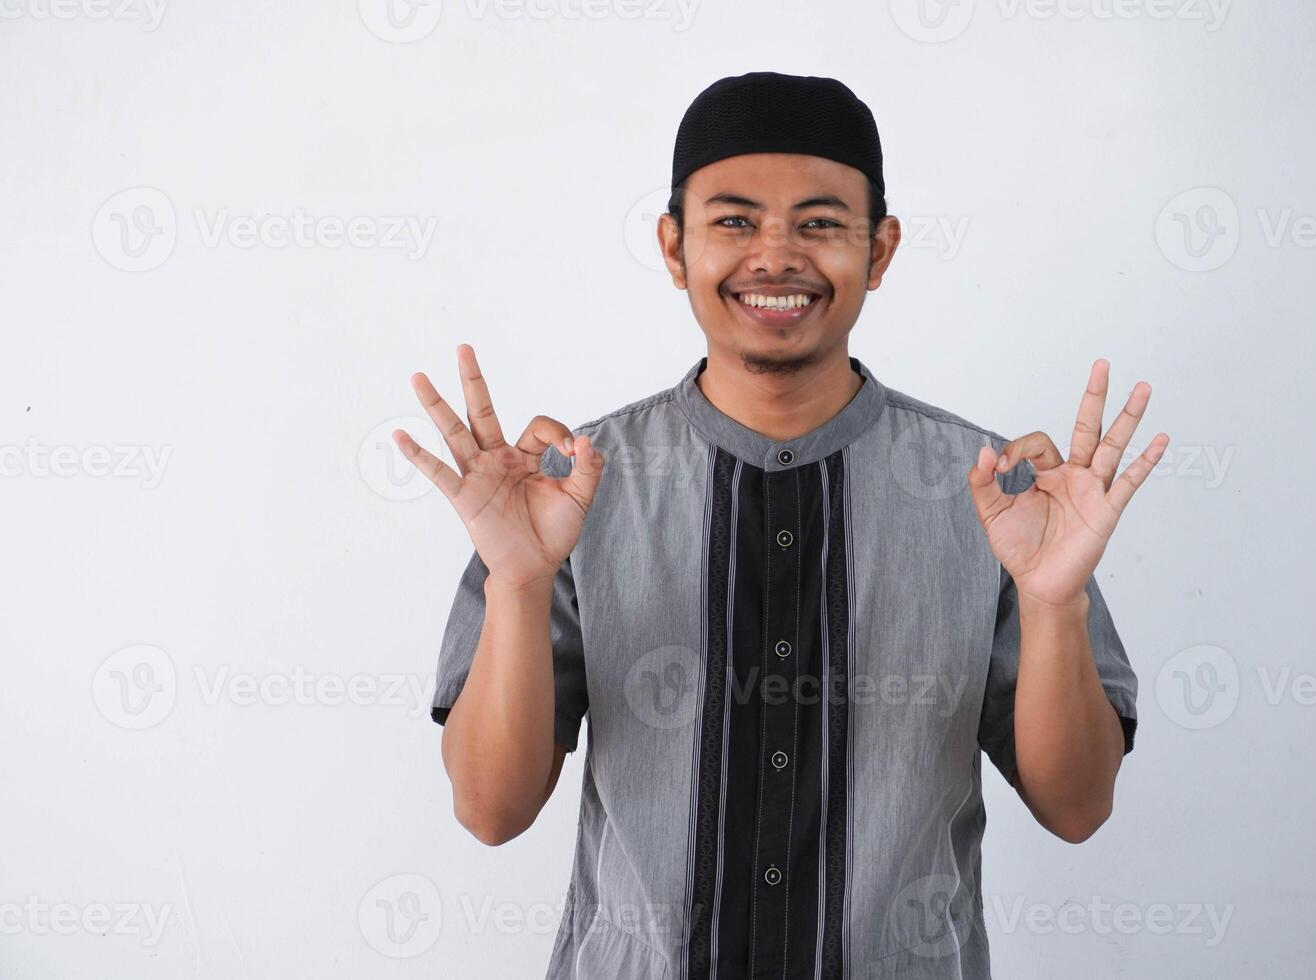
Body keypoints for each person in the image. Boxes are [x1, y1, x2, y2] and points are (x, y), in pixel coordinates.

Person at [394, 70, 1168, 980]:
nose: (775, 255)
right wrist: (519, 586)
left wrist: (1053, 601)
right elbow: (490, 811)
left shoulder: (1000, 496)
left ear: (878, 252)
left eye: (820, 223)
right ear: (674, 248)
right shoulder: (566, 491)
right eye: (733, 221)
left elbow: (1077, 809)